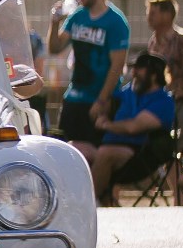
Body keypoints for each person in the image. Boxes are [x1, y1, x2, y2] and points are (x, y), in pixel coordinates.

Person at [73, 52, 176, 204]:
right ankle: (95, 200)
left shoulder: (163, 102)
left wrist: (108, 125)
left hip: (138, 156)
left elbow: (134, 127)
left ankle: (85, 204)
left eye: (139, 69)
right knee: (74, 149)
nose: (133, 73)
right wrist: (101, 109)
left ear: (154, 75)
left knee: (105, 153)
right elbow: (108, 103)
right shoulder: (129, 92)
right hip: (108, 147)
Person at [46, 0, 130, 145]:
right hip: (74, 98)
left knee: (93, 153)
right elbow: (55, 47)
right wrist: (54, 23)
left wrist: (101, 100)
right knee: (66, 148)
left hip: (99, 102)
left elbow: (117, 66)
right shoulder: (78, 16)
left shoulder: (116, 22)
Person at [143, 0, 183, 116]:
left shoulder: (182, 41)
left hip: (179, 102)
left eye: (153, 13)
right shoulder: (153, 41)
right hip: (157, 103)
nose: (148, 17)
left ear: (167, 15)